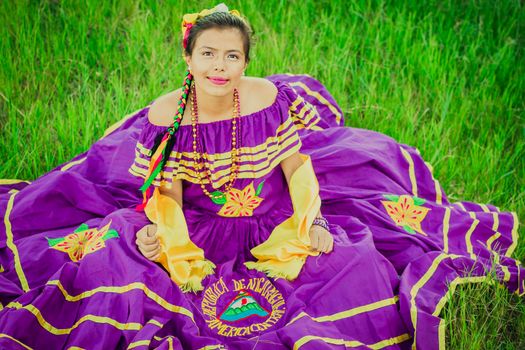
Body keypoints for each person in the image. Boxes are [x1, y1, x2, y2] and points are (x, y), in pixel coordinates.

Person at [0, 4, 522, 350]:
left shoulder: (266, 101)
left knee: (353, 264)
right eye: (208, 54)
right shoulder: (166, 116)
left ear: (246, 61)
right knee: (117, 263)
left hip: (275, 212)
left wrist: (309, 221)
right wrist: (170, 241)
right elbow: (166, 188)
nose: (219, 66)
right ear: (188, 58)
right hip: (200, 218)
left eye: (232, 55)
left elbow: (296, 164)